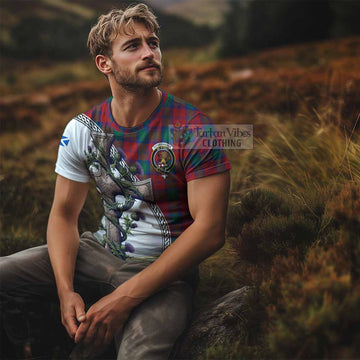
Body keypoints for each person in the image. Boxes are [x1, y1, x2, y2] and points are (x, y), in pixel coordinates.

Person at [0, 3, 231, 359]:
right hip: (97, 252)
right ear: (104, 64)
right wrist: (65, 292)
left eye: (152, 43)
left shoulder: (196, 128)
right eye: (133, 46)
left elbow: (211, 230)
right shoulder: (81, 130)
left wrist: (121, 300)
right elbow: (63, 216)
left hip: (164, 274)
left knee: (139, 354)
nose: (149, 53)